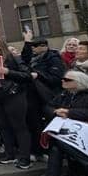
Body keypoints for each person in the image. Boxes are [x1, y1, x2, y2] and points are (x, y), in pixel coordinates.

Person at [0, 38, 33, 169]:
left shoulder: (12, 58)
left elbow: (27, 75)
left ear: (0, 46)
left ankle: (25, 157)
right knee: (3, 126)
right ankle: (10, 154)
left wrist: (8, 72)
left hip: (13, 95)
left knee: (19, 126)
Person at [21, 31, 65, 160]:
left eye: (35, 46)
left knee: (48, 124)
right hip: (34, 96)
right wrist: (27, 41)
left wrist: (39, 75)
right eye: (32, 47)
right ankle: (38, 150)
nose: (33, 49)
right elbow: (24, 59)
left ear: (44, 46)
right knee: (34, 124)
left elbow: (56, 78)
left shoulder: (53, 58)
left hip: (48, 96)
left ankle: (51, 151)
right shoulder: (33, 59)